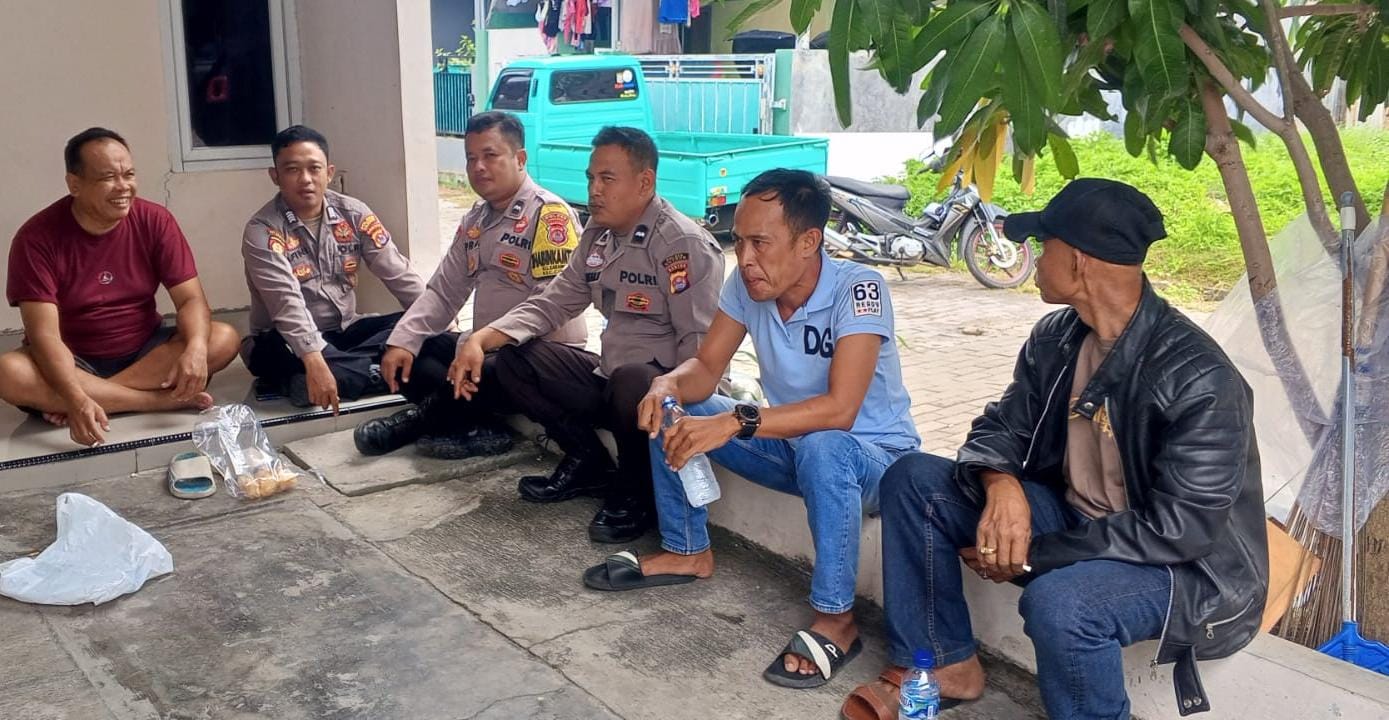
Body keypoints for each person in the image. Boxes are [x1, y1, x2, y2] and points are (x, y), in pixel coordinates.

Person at [842, 179, 1268, 720]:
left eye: (1044, 246)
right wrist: (1000, 484)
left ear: (1079, 261)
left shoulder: (1199, 378)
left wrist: (1036, 554)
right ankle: (947, 665)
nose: (1035, 260)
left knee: (1062, 604)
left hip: (1184, 569)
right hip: (1075, 519)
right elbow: (1001, 427)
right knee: (913, 480)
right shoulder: (1057, 337)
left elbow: (1180, 530)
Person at [579, 169, 920, 689]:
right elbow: (705, 368)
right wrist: (666, 385)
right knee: (675, 406)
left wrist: (735, 421)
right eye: (739, 241)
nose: (746, 258)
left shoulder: (859, 289)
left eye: (760, 243)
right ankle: (687, 551)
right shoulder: (746, 285)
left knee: (825, 446)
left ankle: (836, 618)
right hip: (794, 448)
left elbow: (840, 410)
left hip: (874, 462)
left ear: (808, 242)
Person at [453, 126, 724, 544]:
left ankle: (637, 491)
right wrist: (481, 339)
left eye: (607, 179)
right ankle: (588, 461)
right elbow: (552, 302)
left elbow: (700, 350)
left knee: (634, 380)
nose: (594, 190)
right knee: (513, 360)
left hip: (661, 397)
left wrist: (677, 403)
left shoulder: (681, 244)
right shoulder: (598, 235)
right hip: (609, 379)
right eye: (591, 178)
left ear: (645, 182)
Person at [352, 111, 587, 458]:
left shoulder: (549, 215)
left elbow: (549, 306)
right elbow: (444, 292)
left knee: (494, 368)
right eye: (471, 158)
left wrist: (485, 341)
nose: (478, 167)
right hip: (484, 350)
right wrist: (403, 341)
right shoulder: (476, 220)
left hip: (533, 357)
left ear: (520, 159)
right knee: (411, 349)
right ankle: (476, 424)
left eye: (490, 155)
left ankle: (417, 423)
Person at [1, 127, 240, 447]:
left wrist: (196, 348)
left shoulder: (155, 220)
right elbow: (45, 337)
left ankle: (101, 399)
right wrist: (74, 395)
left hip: (144, 352)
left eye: (129, 174)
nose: (123, 187)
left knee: (222, 338)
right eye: (108, 178)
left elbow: (190, 300)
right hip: (73, 360)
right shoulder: (36, 238)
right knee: (9, 372)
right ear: (74, 184)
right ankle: (154, 401)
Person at [240, 125, 426, 413]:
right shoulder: (262, 231)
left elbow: (398, 272)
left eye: (314, 168)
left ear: (329, 172)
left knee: (420, 327)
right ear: (275, 176)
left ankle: (343, 376)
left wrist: (439, 325)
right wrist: (314, 360)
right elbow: (286, 305)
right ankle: (380, 372)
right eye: (292, 170)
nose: (305, 179)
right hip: (285, 339)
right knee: (278, 355)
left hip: (346, 330)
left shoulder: (354, 214)